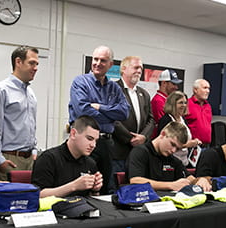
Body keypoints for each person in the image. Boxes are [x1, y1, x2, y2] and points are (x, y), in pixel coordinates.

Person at [68, 45, 129, 194]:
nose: (97, 63)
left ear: (110, 65)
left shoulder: (114, 88)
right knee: (85, 186)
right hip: (84, 142)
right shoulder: (80, 82)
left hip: (106, 143)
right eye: (95, 59)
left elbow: (125, 113)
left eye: (103, 60)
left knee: (105, 187)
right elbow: (83, 112)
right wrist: (110, 116)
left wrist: (101, 108)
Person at [0, 46, 39, 180]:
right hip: (9, 159)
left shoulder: (30, 93)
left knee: (26, 199)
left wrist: (34, 150)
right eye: (32, 63)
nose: (36, 68)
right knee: (10, 199)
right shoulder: (0, 91)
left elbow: (31, 126)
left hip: (29, 160)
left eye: (37, 64)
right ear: (18, 62)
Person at [31, 116, 103, 197]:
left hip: (82, 208)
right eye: (89, 138)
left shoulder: (90, 163)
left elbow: (93, 199)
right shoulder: (48, 159)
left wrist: (95, 189)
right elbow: (38, 195)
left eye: (96, 141)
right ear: (73, 134)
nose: (93, 145)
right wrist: (74, 186)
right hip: (54, 208)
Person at [127, 122, 201, 192]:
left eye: (178, 148)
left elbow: (189, 178)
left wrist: (200, 181)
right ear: (163, 134)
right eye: (172, 144)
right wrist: (170, 185)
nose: (173, 150)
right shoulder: (140, 152)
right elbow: (135, 181)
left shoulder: (173, 160)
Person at [113, 56, 154, 179]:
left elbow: (151, 120)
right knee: (116, 188)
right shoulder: (112, 89)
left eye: (141, 68)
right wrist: (130, 138)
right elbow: (112, 118)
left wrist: (143, 137)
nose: (139, 71)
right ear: (124, 69)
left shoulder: (144, 94)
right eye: (136, 67)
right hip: (119, 151)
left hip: (138, 153)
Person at [157, 91, 201, 166]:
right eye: (180, 103)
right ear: (173, 104)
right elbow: (165, 144)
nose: (183, 105)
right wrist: (187, 145)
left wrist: (194, 142)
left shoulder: (183, 119)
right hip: (170, 162)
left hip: (184, 162)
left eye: (185, 103)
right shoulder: (166, 120)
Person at [185, 79, 213, 146]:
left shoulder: (208, 106)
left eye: (208, 88)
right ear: (195, 90)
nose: (208, 91)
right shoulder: (187, 104)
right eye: (205, 88)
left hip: (206, 145)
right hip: (192, 146)